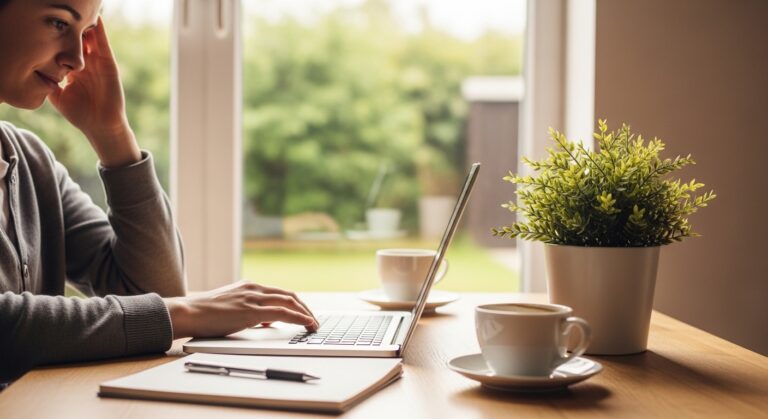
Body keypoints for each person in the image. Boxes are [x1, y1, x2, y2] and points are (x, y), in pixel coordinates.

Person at [0, 0, 318, 385]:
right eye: (58, 22)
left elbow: (154, 290)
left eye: (86, 33)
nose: (77, 60)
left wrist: (113, 134)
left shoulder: (30, 161)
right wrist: (186, 313)